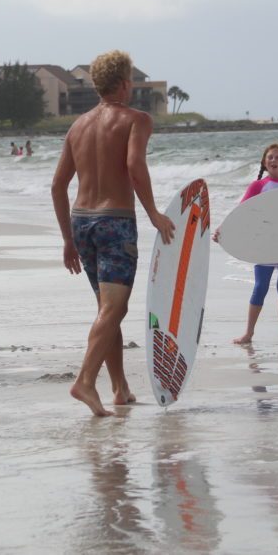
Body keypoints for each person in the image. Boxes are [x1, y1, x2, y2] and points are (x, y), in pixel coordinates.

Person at [51, 50, 175, 417]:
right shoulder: (137, 119)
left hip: (81, 222)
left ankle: (120, 388)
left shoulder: (78, 126)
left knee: (107, 310)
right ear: (123, 82)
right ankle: (85, 381)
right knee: (114, 308)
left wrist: (67, 240)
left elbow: (58, 186)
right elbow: (134, 164)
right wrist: (153, 213)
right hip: (114, 222)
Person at [213, 144, 278, 344]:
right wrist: (223, 229)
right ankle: (248, 333)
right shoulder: (257, 186)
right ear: (264, 162)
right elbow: (240, 212)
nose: (274, 160)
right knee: (261, 287)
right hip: (264, 244)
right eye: (270, 157)